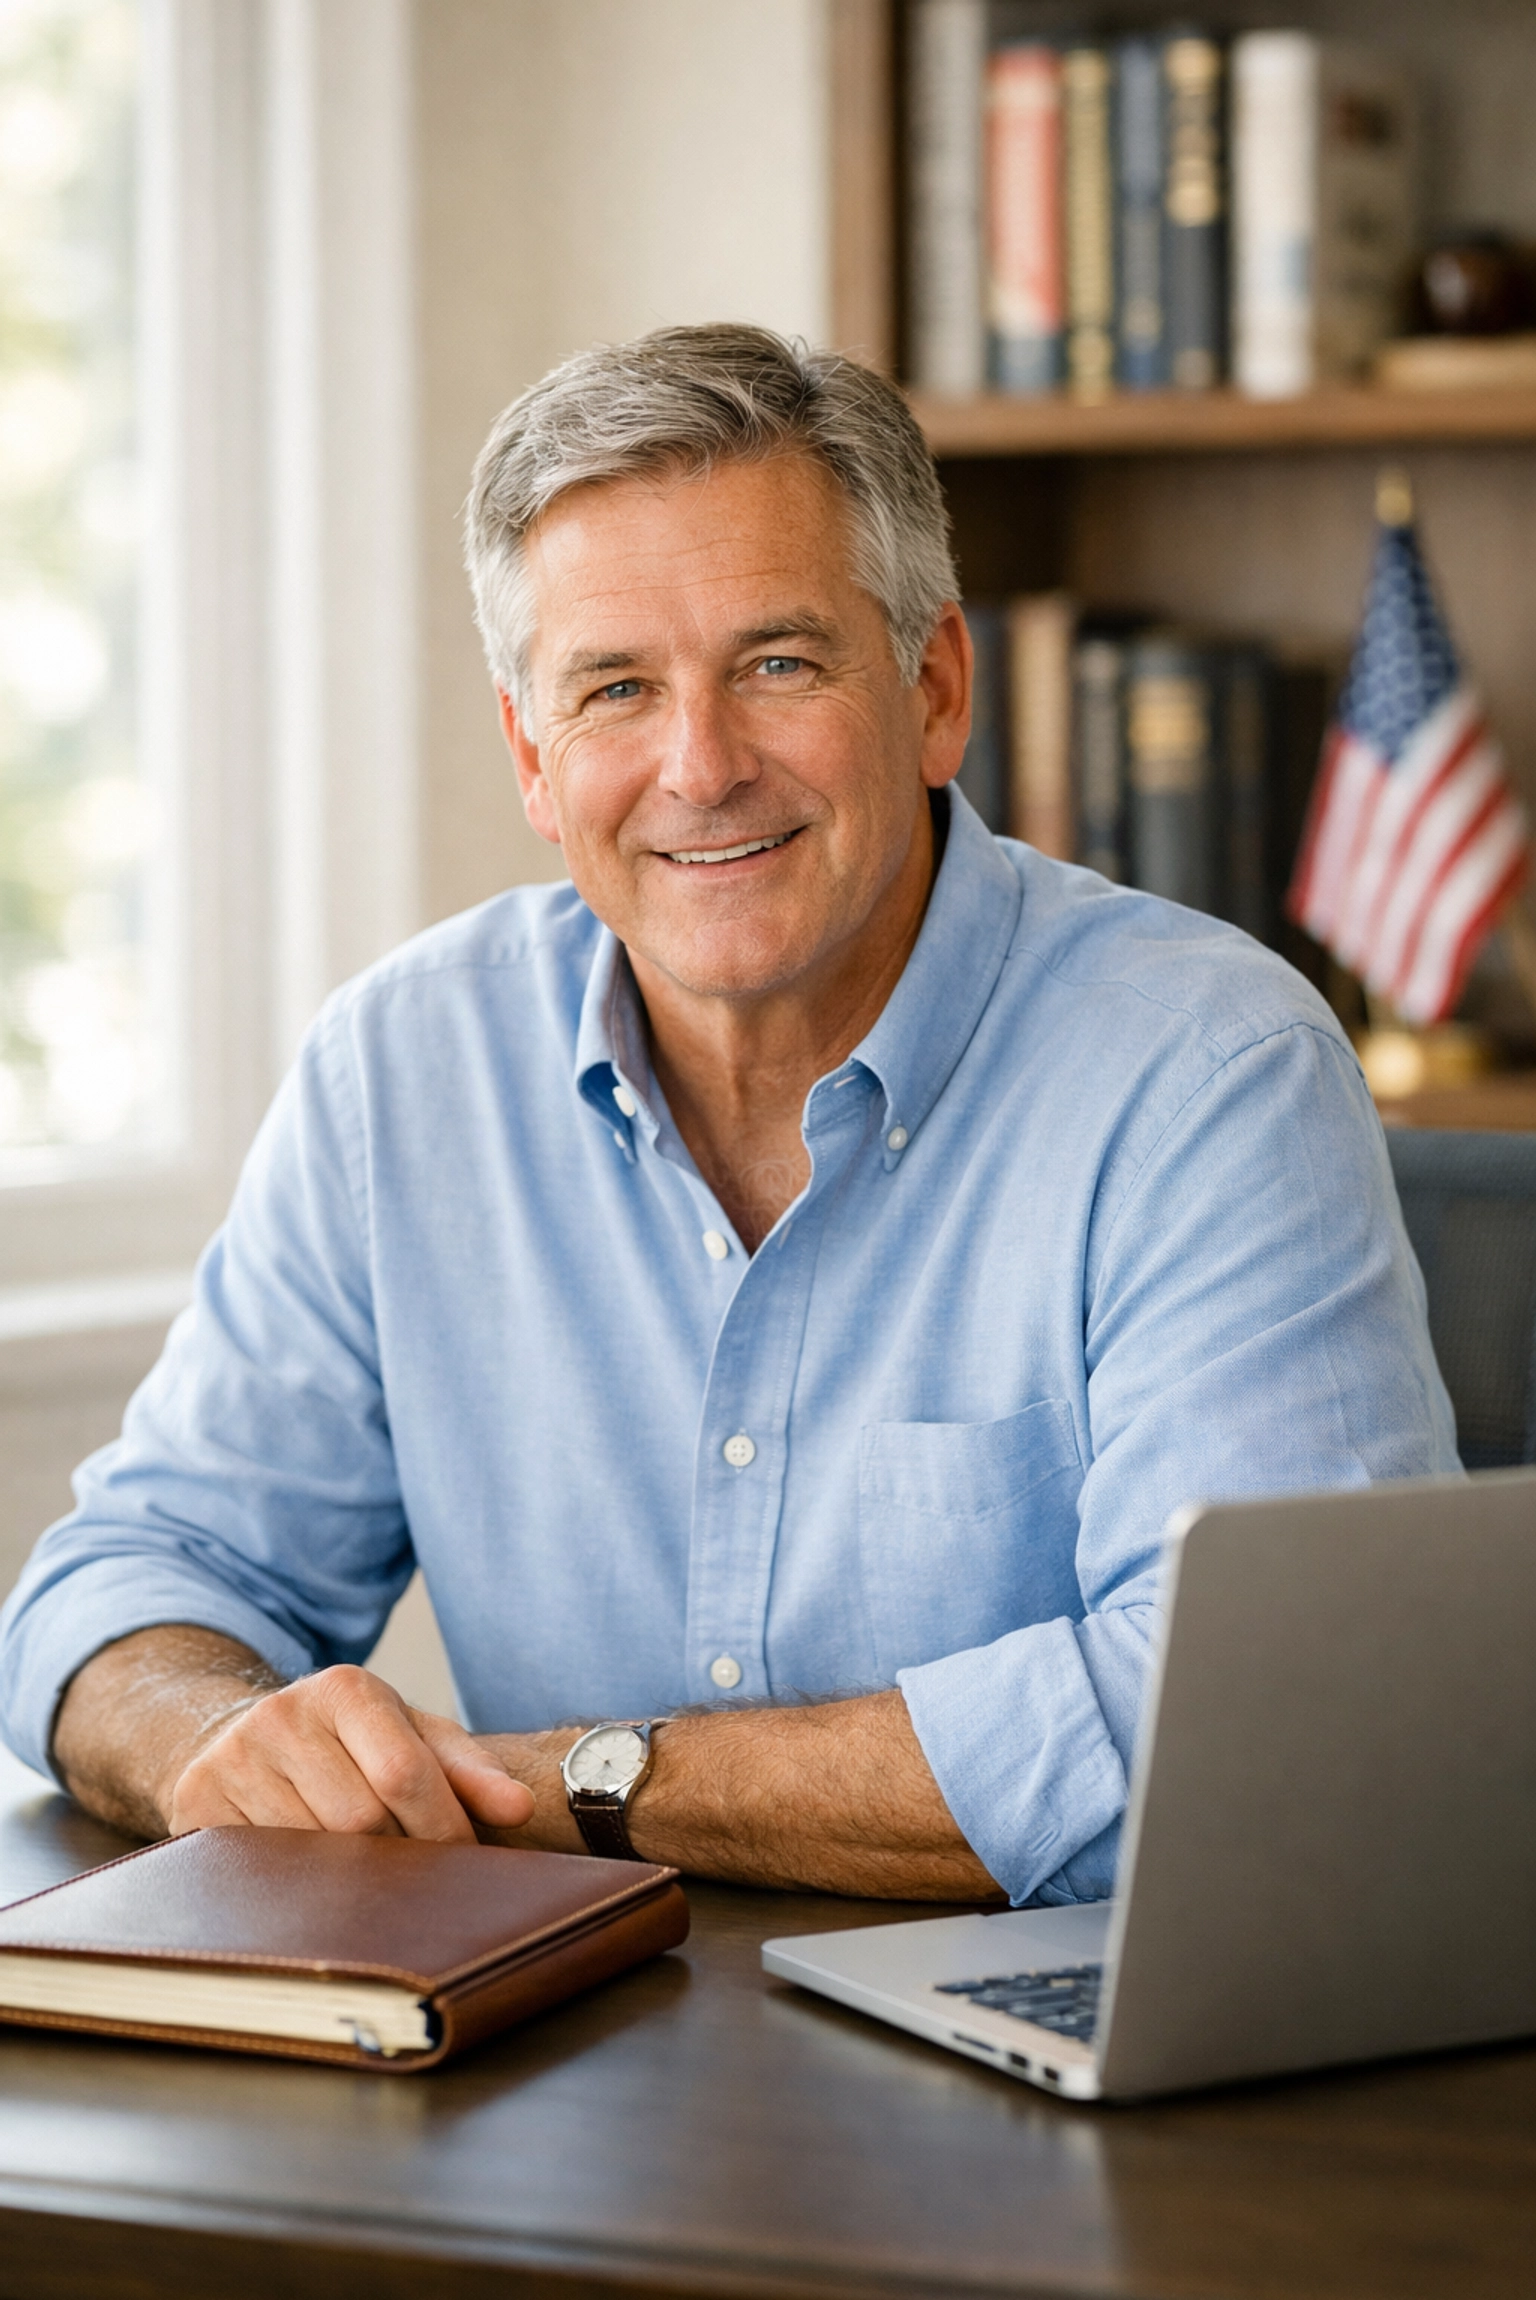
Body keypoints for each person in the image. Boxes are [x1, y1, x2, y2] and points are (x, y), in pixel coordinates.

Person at [0, 326, 1457, 1906]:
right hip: (566, 2068)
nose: (699, 767)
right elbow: (126, 1586)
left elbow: (1254, 1730)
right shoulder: (401, 1073)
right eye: (615, 688)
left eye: (778, 663)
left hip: (1079, 2085)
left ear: (936, 689)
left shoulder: (1206, 1069)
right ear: (534, 760)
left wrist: (577, 1783)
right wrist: (209, 1735)